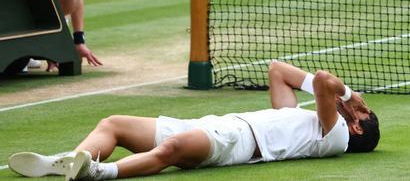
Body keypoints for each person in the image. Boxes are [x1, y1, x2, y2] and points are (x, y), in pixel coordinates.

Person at [7, 60, 378, 179]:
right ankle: (72, 162)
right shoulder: (299, 117)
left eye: (363, 113)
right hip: (214, 123)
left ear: (356, 126)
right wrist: (343, 98)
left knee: (172, 149)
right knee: (113, 124)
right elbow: (278, 70)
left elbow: (326, 82)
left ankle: (100, 172)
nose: (355, 108)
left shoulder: (335, 138)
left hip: (238, 144)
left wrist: (349, 97)